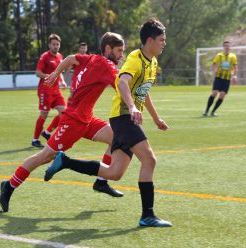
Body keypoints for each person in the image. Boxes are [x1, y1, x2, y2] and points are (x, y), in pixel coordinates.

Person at [43, 18, 172, 227]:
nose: (164, 43)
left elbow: (143, 91)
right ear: (149, 40)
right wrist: (131, 108)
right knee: (149, 160)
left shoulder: (152, 62)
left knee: (114, 173)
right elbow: (122, 82)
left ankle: (65, 162)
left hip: (125, 118)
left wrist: (156, 118)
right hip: (123, 118)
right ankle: (147, 215)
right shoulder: (134, 59)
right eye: (161, 39)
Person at [0, 32, 126, 213]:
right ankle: (9, 186)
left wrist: (56, 73)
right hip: (73, 121)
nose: (121, 55)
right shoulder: (105, 64)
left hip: (86, 119)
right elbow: (121, 85)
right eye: (119, 51)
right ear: (108, 49)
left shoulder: (91, 58)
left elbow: (70, 58)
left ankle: (101, 182)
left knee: (116, 138)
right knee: (44, 157)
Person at [33, 34, 67, 147]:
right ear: (49, 45)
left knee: (65, 112)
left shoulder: (60, 56)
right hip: (45, 90)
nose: (56, 46)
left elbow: (59, 72)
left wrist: (62, 81)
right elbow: (38, 72)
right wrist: (48, 76)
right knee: (44, 115)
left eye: (57, 44)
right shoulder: (45, 56)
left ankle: (47, 132)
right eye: (53, 44)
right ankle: (35, 140)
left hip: (56, 91)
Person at [202, 40, 238, 117]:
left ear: (230, 47)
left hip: (227, 79)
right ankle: (206, 110)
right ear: (223, 47)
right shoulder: (219, 55)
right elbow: (214, 64)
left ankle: (213, 111)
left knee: (222, 95)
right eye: (226, 46)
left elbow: (235, 67)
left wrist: (235, 76)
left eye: (228, 46)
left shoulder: (233, 57)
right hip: (218, 77)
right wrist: (214, 70)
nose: (227, 47)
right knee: (214, 93)